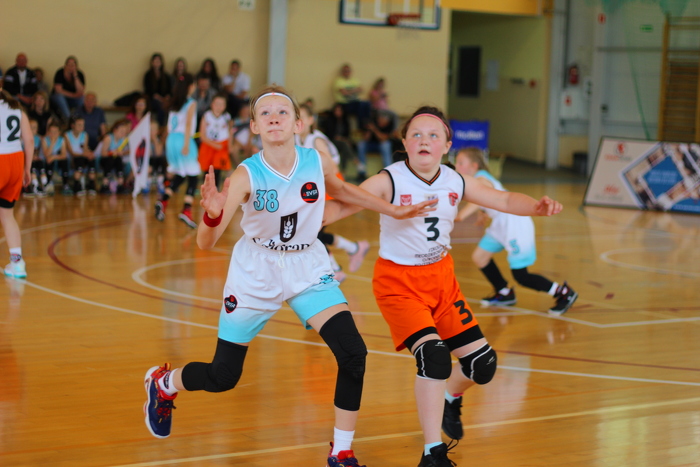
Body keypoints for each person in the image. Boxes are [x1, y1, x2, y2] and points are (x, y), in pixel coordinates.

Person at [142, 85, 437, 467]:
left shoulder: (316, 161)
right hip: (256, 271)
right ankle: (165, 384)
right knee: (223, 376)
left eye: (282, 112)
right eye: (265, 113)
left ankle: (341, 451)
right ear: (254, 126)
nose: (274, 118)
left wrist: (392, 210)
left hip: (307, 265)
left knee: (353, 353)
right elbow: (205, 243)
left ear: (298, 123)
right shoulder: (246, 175)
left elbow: (344, 191)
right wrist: (213, 214)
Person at [323, 106, 563, 466]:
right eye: (416, 134)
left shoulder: (455, 180)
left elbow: (502, 199)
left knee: (483, 365)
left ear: (447, 146)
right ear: (404, 143)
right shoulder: (390, 179)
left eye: (433, 135)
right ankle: (432, 452)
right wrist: (309, 218)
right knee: (433, 356)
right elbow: (345, 203)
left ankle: (451, 396)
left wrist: (536, 207)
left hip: (442, 281)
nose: (424, 140)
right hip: (399, 284)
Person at [453, 147, 578, 315]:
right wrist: (483, 213)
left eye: (461, 162)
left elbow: (477, 198)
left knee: (521, 275)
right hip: (500, 224)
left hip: (514, 223)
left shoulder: (481, 178)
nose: (457, 166)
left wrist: (459, 216)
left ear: (474, 166)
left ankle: (563, 292)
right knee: (480, 257)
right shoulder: (478, 178)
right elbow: (486, 199)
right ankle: (504, 292)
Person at [296, 103, 369, 280]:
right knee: (315, 231)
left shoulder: (316, 140)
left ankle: (338, 266)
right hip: (315, 187)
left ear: (311, 120)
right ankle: (353, 249)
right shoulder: (297, 139)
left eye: (302, 118)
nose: (298, 122)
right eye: (296, 118)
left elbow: (332, 167)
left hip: (329, 185)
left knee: (313, 231)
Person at [155, 74, 200, 229]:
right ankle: (186, 211)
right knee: (193, 176)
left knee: (181, 175)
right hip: (182, 139)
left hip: (171, 140)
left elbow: (168, 126)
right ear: (190, 86)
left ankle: (163, 201)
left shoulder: (173, 103)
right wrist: (187, 144)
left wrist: (165, 143)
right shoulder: (191, 103)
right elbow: (188, 124)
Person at [0, 91, 34, 278]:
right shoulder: (16, 108)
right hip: (15, 161)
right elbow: (29, 140)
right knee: (7, 215)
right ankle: (17, 263)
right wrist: (27, 168)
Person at [198, 92, 231, 188]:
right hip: (208, 144)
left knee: (218, 169)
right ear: (212, 104)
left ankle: (216, 189)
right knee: (207, 169)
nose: (219, 107)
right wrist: (214, 145)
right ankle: (207, 189)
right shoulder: (206, 116)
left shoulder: (227, 117)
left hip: (221, 146)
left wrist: (230, 145)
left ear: (225, 106)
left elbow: (230, 132)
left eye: (221, 104)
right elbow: (202, 135)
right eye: (217, 104)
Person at [356, 109, 395, 181]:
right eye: (380, 118)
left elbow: (383, 138)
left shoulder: (389, 125)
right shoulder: (373, 122)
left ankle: (388, 171)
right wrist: (369, 130)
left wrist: (374, 129)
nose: (381, 121)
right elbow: (365, 139)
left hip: (381, 146)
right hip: (371, 145)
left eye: (383, 119)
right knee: (361, 144)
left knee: (385, 145)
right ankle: (361, 172)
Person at [332, 64, 370, 131]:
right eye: (345, 71)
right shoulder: (339, 81)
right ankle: (361, 127)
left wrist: (349, 91)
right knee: (360, 106)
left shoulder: (354, 80)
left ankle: (367, 124)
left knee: (367, 104)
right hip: (344, 103)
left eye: (348, 71)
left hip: (355, 102)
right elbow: (344, 93)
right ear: (342, 72)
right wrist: (355, 90)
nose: (347, 72)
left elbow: (361, 89)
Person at [65, 115, 96, 195]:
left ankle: (91, 184)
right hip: (72, 158)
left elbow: (85, 149)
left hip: (82, 156)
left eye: (83, 125)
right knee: (79, 160)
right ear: (72, 125)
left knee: (91, 160)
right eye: (79, 125)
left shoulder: (85, 135)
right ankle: (77, 184)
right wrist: (84, 154)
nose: (82, 127)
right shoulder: (67, 135)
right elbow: (71, 152)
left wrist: (89, 154)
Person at [99, 119, 130, 194]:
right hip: (105, 160)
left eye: (124, 132)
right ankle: (105, 184)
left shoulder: (123, 140)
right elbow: (103, 153)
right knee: (110, 161)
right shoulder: (108, 138)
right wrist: (112, 152)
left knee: (119, 161)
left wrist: (122, 152)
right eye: (121, 131)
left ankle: (120, 184)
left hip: (116, 159)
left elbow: (129, 150)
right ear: (115, 130)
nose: (123, 134)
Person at [51, 56, 85, 121]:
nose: (70, 67)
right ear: (65, 66)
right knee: (59, 97)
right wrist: (73, 95)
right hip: (60, 98)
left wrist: (75, 76)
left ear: (76, 67)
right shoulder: (60, 73)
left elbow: (80, 91)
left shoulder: (80, 74)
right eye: (69, 65)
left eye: (73, 65)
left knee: (82, 98)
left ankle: (78, 118)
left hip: (73, 99)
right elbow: (58, 90)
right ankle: (69, 119)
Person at [143, 53, 171, 126]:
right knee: (160, 107)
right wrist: (159, 98)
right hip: (152, 99)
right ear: (152, 62)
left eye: (159, 61)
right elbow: (148, 90)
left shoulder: (166, 76)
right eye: (155, 61)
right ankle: (159, 126)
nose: (157, 63)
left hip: (164, 99)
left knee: (169, 107)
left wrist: (167, 97)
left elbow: (169, 90)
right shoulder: (148, 75)